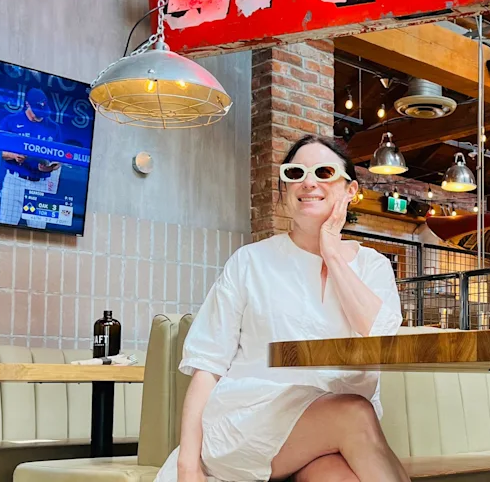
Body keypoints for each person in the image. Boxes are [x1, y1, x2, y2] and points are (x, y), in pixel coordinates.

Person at [156, 135, 410, 482]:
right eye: (295, 173)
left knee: (340, 476)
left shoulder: (373, 266)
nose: (309, 182)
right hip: (247, 425)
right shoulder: (250, 262)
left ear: (350, 190)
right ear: (283, 195)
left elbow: (380, 340)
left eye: (323, 172)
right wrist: (188, 464)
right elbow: (207, 365)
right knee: (354, 411)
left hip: (328, 440)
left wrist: (332, 252)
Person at [0, 88, 62, 229]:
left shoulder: (53, 127)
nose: (39, 116)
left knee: (38, 232)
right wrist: (14, 156)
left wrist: (50, 166)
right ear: (27, 104)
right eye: (36, 111)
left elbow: (60, 159)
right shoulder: (11, 121)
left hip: (40, 184)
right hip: (15, 181)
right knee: (6, 228)